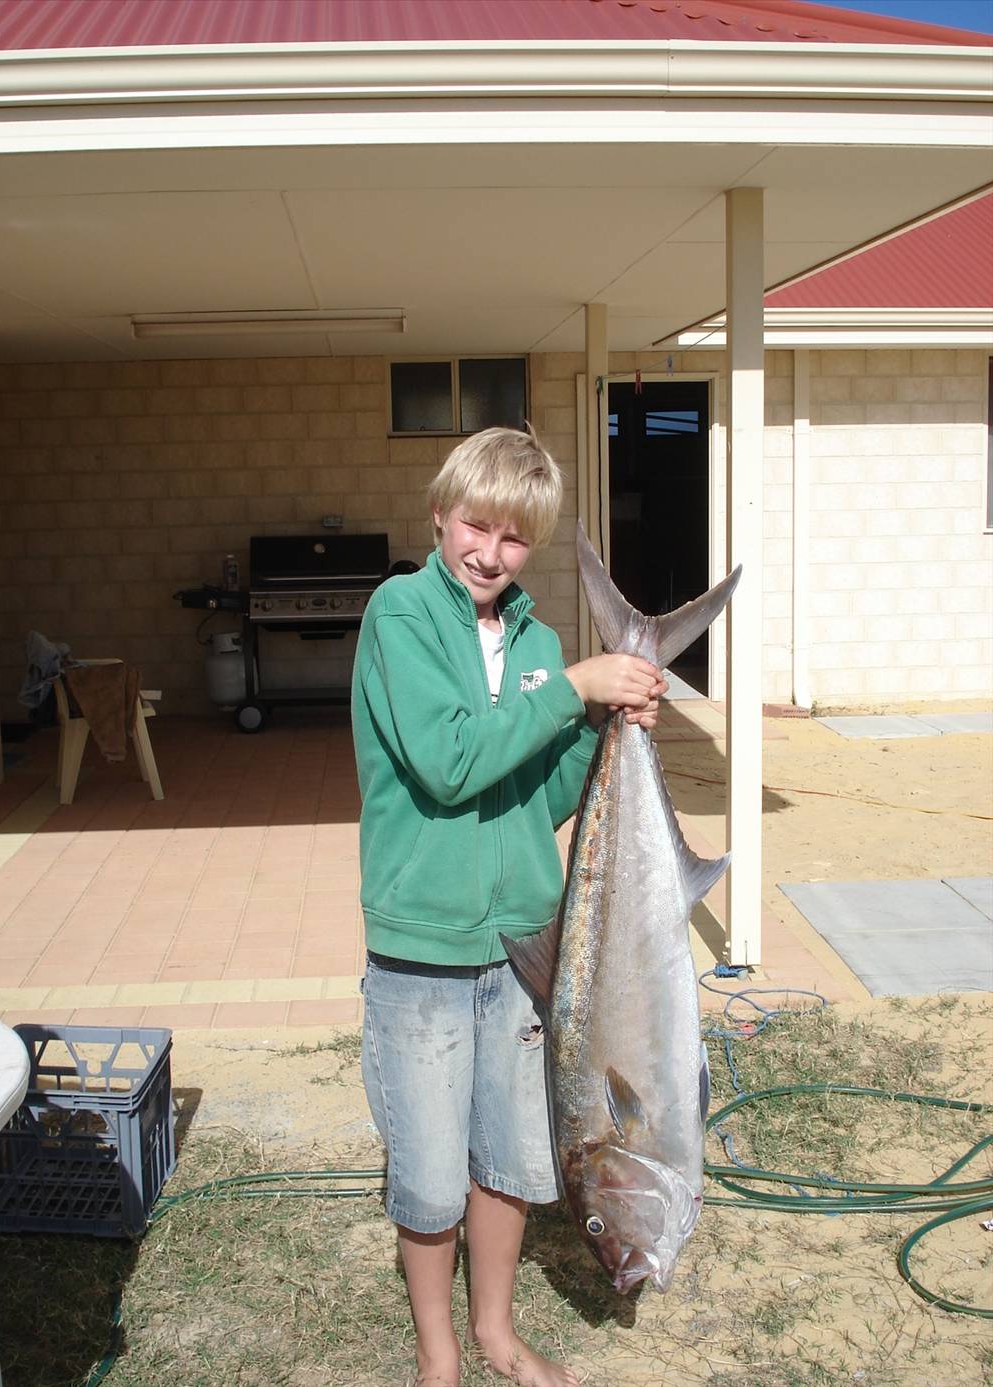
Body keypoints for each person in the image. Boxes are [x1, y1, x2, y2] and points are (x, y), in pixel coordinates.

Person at [351, 425, 668, 1387]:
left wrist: (605, 724)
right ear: (441, 515)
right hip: (424, 954)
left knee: (512, 1158)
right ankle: (438, 1349)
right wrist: (574, 689)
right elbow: (451, 764)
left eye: (515, 537)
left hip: (528, 949)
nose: (490, 553)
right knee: (432, 1171)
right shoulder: (400, 616)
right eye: (475, 527)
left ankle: (495, 1329)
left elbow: (544, 789)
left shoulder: (535, 642)